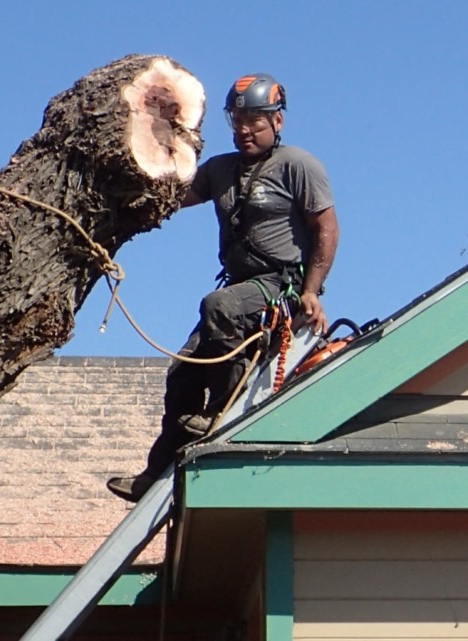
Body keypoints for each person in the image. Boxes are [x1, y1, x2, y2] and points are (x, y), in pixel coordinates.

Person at [107, 73, 339, 502]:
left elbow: (326, 228)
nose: (245, 130)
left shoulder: (298, 166)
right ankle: (156, 475)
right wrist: (123, 195)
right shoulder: (219, 170)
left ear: (277, 121)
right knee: (181, 373)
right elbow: (171, 198)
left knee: (218, 305)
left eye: (255, 121)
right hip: (238, 288)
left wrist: (311, 290)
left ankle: (223, 410)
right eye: (237, 121)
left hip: (279, 286)